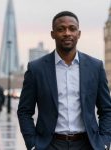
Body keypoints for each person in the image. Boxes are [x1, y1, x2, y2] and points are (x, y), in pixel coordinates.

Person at [17, 11, 111, 150]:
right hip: (50, 144)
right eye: (61, 29)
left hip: (87, 144)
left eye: (72, 29)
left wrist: (104, 141)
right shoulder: (36, 69)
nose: (67, 33)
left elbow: (106, 109)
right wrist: (32, 144)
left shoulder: (95, 67)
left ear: (78, 33)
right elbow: (24, 111)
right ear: (53, 34)